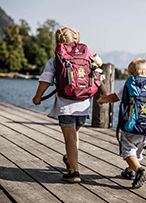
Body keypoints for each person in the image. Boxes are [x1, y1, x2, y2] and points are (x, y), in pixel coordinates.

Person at [32, 27, 107, 183]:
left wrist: (38, 96)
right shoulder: (87, 58)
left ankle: (74, 172)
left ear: (58, 42)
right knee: (75, 134)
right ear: (76, 41)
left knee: (70, 138)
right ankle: (70, 159)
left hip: (67, 105)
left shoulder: (56, 60)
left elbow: (46, 80)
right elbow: (98, 77)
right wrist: (105, 94)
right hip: (84, 104)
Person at [97, 58, 146, 188]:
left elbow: (115, 97)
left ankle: (139, 170)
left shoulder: (130, 84)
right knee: (137, 152)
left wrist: (104, 100)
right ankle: (130, 172)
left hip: (131, 127)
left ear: (130, 74)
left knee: (128, 151)